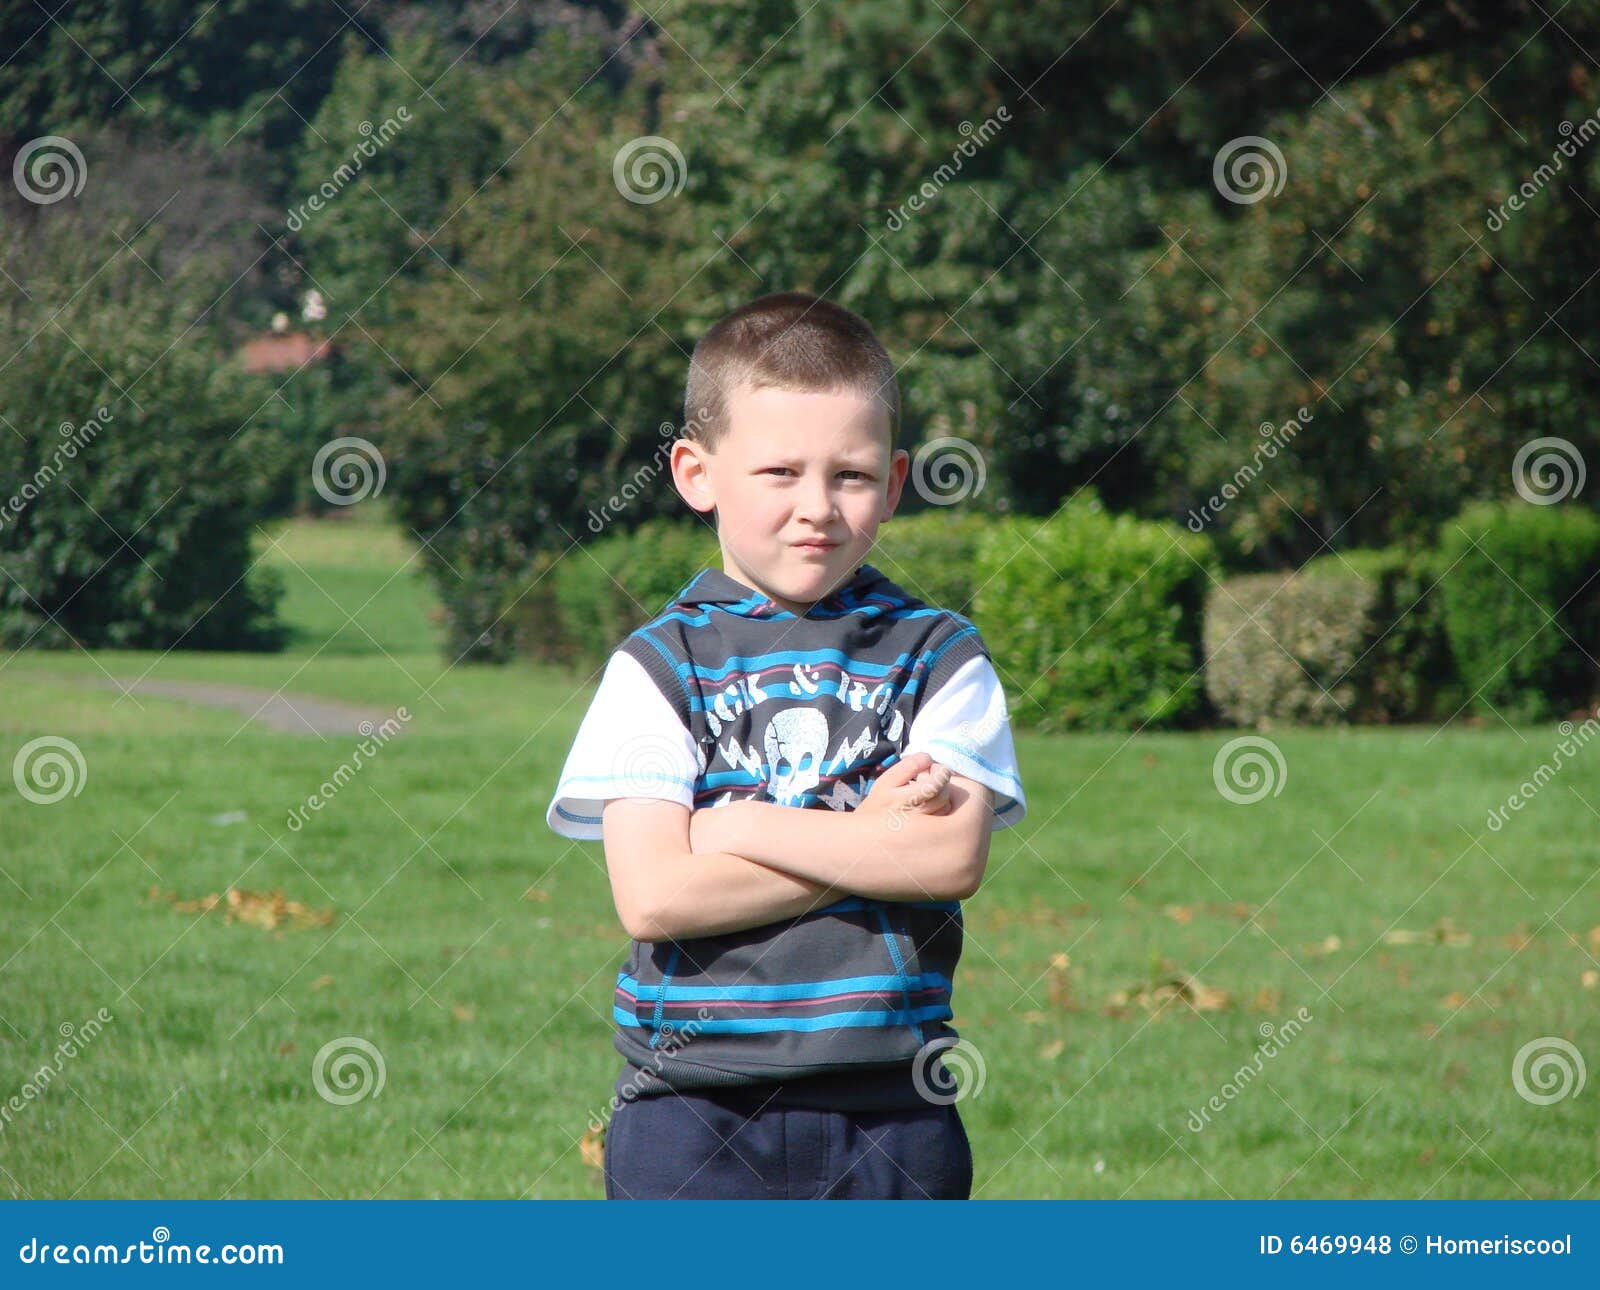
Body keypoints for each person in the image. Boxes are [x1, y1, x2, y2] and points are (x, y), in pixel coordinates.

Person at [545, 291, 1027, 1199]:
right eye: (779, 472)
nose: (817, 508)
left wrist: (733, 829)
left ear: (891, 483)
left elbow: (951, 856)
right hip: (689, 1115)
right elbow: (654, 897)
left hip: (897, 1110)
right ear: (696, 474)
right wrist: (870, 837)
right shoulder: (656, 667)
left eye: (849, 476)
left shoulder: (939, 656)